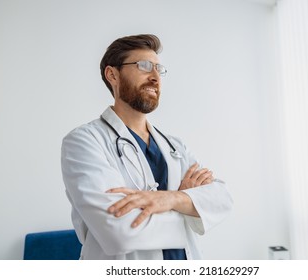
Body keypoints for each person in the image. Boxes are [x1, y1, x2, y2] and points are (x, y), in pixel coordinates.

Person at [61, 34, 233, 260]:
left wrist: (170, 199)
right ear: (112, 74)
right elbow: (119, 233)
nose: (155, 77)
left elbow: (221, 199)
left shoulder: (174, 145)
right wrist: (190, 205)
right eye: (144, 66)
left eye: (159, 70)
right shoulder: (84, 141)